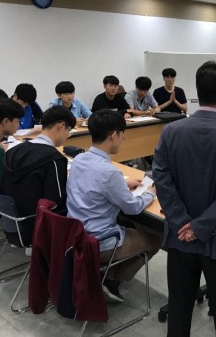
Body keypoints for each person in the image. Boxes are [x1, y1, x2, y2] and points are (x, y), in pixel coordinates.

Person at [152, 61, 216, 337]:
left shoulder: (171, 131)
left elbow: (161, 178)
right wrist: (201, 226)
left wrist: (183, 222)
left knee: (179, 309)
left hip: (179, 236)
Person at [66, 110, 161, 303]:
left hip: (76, 233)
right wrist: (150, 193)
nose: (123, 139)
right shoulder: (109, 172)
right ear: (114, 135)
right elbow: (132, 208)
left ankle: (107, 274)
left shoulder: (80, 159)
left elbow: (93, 185)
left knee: (133, 225)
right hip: (99, 241)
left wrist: (122, 185)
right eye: (122, 134)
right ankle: (111, 279)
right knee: (155, 240)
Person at [0, 106, 76, 243]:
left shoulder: (13, 151)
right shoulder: (54, 159)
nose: (67, 136)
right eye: (68, 131)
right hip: (37, 226)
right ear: (61, 126)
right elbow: (57, 201)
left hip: (11, 221)